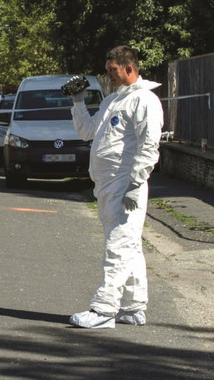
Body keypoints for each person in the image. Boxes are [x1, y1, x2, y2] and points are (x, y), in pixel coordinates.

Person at [69, 45, 163, 328]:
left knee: (118, 246)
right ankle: (133, 307)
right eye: (108, 70)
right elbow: (87, 131)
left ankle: (104, 310)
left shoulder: (144, 100)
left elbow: (149, 145)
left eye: (113, 70)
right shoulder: (113, 100)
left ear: (129, 69)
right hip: (108, 186)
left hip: (125, 186)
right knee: (129, 246)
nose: (109, 75)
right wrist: (77, 101)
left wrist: (136, 182)